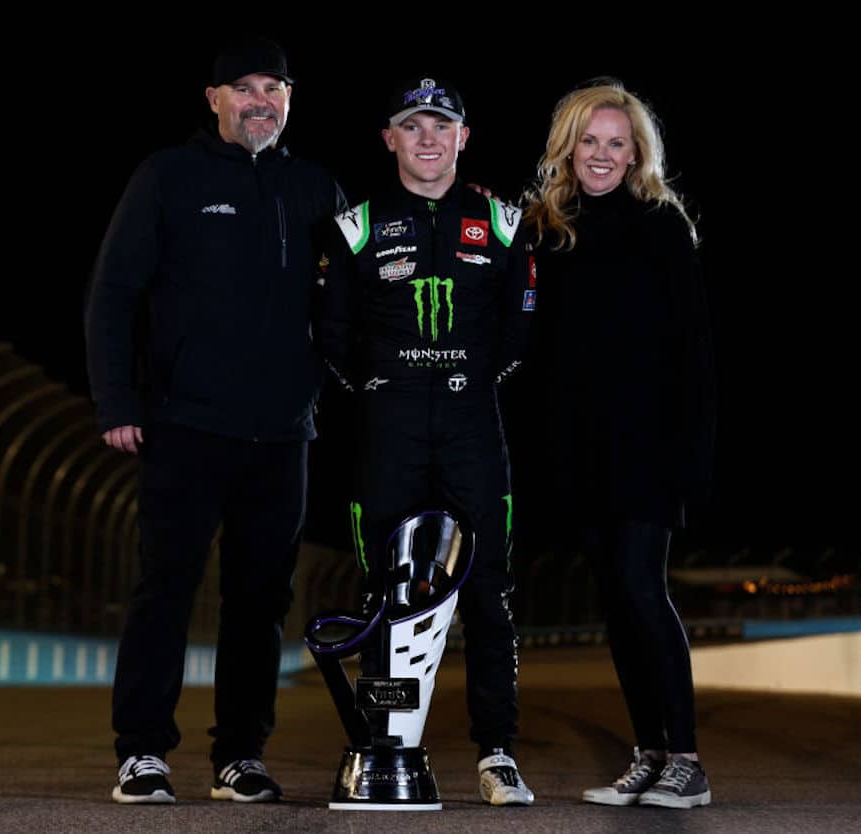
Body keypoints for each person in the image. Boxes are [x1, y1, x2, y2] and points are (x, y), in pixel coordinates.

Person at [84, 36, 344, 805]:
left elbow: (343, 308)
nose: (261, 99)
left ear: (290, 99)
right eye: (245, 87)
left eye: (276, 87)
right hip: (184, 424)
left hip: (281, 434)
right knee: (166, 586)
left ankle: (240, 754)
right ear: (214, 99)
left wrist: (326, 388)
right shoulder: (168, 176)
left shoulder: (317, 187)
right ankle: (141, 753)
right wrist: (117, 402)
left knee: (261, 599)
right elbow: (112, 295)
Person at [316, 76, 535, 806]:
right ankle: (387, 749)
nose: (429, 137)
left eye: (442, 125)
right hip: (390, 430)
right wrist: (383, 388)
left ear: (464, 138)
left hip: (474, 426)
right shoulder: (356, 225)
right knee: (390, 590)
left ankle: (497, 753)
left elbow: (519, 329)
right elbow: (333, 333)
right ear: (391, 138)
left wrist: (465, 380)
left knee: (489, 595)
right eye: (413, 126)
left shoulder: (503, 222)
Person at [522, 78, 717, 809]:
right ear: (568, 147)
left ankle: (687, 761)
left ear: (637, 152)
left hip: (650, 445)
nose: (602, 155)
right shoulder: (547, 226)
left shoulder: (661, 224)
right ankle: (650, 751)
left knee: (642, 588)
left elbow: (694, 353)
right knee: (616, 598)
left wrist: (692, 458)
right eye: (589, 141)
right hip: (583, 449)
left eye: (616, 143)